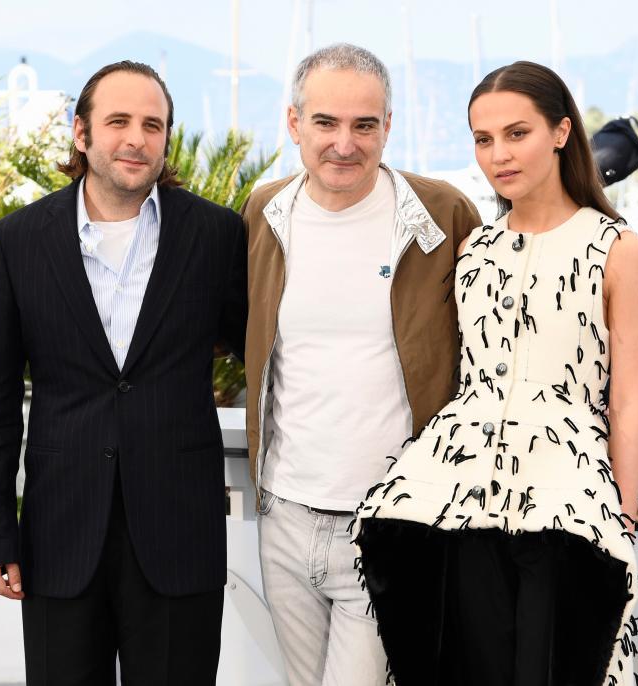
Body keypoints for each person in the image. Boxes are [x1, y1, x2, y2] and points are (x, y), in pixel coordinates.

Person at [353, 61, 638, 686]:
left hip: (566, 498)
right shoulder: (475, 251)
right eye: (483, 139)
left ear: (562, 132)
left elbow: (628, 403)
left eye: (517, 133)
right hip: (451, 495)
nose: (499, 155)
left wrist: (623, 517)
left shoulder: (620, 250)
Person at [0, 61, 247, 685]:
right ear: (80, 134)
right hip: (60, 537)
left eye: (153, 124)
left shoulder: (217, 236)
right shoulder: (19, 240)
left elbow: (263, 347)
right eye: (118, 121)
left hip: (180, 535)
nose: (136, 139)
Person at [241, 43, 481, 685]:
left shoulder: (440, 215)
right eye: (326, 123)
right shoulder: (264, 216)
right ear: (294, 124)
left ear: (388, 127)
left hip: (390, 520)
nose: (345, 144)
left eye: (364, 125)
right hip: (284, 516)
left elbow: (489, 349)